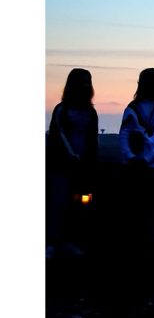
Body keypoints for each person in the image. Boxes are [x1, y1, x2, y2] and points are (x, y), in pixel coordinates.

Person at [118, 68, 154, 260]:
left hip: (144, 167)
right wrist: (140, 156)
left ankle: (143, 255)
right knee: (144, 214)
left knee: (146, 214)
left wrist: (134, 156)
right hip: (149, 166)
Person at [46, 68, 99, 257]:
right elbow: (58, 137)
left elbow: (93, 142)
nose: (85, 85)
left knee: (78, 206)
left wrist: (89, 164)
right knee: (58, 204)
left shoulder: (91, 113)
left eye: (88, 81)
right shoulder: (61, 110)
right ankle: (52, 242)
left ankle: (72, 241)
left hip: (82, 168)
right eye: (82, 82)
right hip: (61, 168)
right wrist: (71, 156)